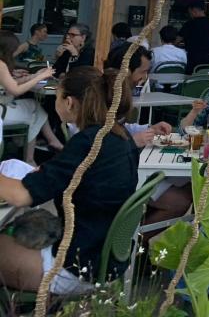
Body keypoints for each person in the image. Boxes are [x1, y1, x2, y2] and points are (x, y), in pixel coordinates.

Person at [0, 67, 138, 294]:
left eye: (57, 97)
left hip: (75, 265)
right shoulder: (118, 136)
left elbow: (20, 195)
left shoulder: (87, 143)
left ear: (69, 102)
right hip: (103, 255)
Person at [0, 30, 63, 163]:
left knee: (36, 106)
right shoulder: (1, 65)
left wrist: (33, 76)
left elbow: (11, 83)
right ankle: (30, 157)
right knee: (34, 114)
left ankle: (45, 145)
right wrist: (40, 76)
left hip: (3, 107)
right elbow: (16, 90)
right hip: (2, 111)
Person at [179, 1, 209, 73]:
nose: (190, 15)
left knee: (190, 80)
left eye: (190, 12)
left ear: (193, 11)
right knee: (203, 79)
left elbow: (178, 39)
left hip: (192, 58)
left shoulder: (189, 24)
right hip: (207, 59)